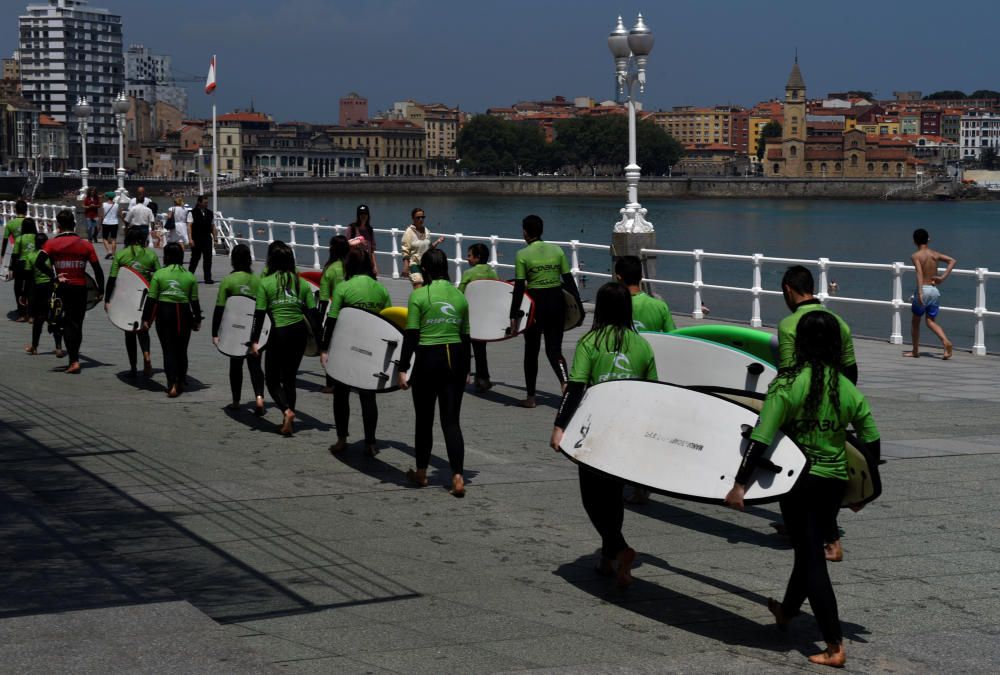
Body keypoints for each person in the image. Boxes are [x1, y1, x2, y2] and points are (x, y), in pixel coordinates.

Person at [724, 311, 880, 669]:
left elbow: (760, 441)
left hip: (798, 484)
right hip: (834, 483)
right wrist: (863, 492)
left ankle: (834, 644)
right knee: (807, 547)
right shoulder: (846, 386)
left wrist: (739, 485)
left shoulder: (787, 385)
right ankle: (786, 611)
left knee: (811, 559)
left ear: (801, 345)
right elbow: (871, 439)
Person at [549, 282, 657, 590]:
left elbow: (576, 388)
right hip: (629, 431)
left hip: (596, 431)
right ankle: (609, 558)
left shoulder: (590, 342)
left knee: (591, 499)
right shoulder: (641, 344)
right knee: (613, 497)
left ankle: (620, 549)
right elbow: (653, 392)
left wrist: (559, 427)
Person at [778, 265, 857, 561]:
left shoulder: (789, 324)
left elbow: (786, 374)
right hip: (836, 403)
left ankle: (817, 534)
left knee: (795, 468)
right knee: (828, 468)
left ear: (788, 289)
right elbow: (851, 370)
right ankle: (826, 534)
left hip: (801, 408)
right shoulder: (840, 322)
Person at [397, 248, 471, 497]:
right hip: (455, 360)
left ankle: (421, 473)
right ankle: (458, 476)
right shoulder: (459, 296)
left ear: (425, 270)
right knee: (451, 422)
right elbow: (466, 337)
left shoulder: (419, 296)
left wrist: (402, 368)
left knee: (424, 420)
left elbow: (412, 335)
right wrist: (469, 369)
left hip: (428, 361)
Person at [612, 255, 674, 505]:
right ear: (641, 277)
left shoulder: (616, 304)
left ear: (618, 277)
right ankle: (642, 485)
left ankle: (618, 477)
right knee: (645, 432)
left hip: (621, 375)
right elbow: (672, 339)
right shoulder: (658, 306)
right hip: (651, 376)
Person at [320, 247, 391, 457]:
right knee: (368, 397)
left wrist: (324, 348)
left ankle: (342, 439)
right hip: (372, 350)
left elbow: (331, 321)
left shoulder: (343, 287)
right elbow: (389, 322)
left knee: (341, 395)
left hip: (345, 348)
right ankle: (370, 442)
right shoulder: (381, 289)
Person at [508, 214, 582, 408]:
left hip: (535, 306)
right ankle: (565, 384)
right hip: (556, 302)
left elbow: (518, 288)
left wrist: (513, 314)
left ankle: (531, 398)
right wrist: (579, 308)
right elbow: (569, 281)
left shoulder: (522, 255)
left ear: (525, 232)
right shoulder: (557, 251)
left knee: (531, 352)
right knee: (554, 350)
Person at [249, 242, 320, 436]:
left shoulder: (266, 282)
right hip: (299, 333)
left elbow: (259, 315)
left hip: (279, 332)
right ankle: (289, 422)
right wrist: (322, 346)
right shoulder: (302, 283)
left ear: (271, 260)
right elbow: (313, 316)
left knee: (272, 380)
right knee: (289, 379)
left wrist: (254, 341)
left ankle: (287, 411)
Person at [34, 209, 105, 374]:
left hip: (62, 288)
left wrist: (53, 277)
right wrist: (100, 290)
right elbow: (98, 270)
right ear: (73, 224)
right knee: (77, 324)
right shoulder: (86, 245)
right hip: (80, 288)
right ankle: (75, 360)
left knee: (65, 323)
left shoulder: (51, 244)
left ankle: (73, 360)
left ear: (58, 226)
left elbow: (38, 262)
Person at [141, 243, 201, 397]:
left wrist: (146, 318)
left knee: (168, 350)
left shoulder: (159, 274)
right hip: (184, 313)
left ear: (166, 256)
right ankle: (181, 381)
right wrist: (197, 320)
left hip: (165, 313)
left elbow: (151, 299)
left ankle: (172, 384)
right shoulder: (189, 276)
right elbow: (194, 301)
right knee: (182, 350)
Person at [212, 244, 265, 415]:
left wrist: (215, 333)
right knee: (255, 365)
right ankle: (259, 398)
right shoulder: (258, 281)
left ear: (233, 260)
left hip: (234, 330)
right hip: (254, 329)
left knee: (236, 365)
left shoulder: (228, 280)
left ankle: (236, 401)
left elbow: (219, 308)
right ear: (249, 259)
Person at [105, 227, 160, 377]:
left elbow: (112, 279)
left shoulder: (121, 255)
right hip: (145, 299)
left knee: (129, 332)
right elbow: (159, 277)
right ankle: (147, 355)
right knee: (143, 330)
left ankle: (133, 367)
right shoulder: (151, 254)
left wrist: (107, 300)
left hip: (125, 299)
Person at [905, 228, 956, 360]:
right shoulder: (935, 254)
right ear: (929, 239)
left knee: (915, 321)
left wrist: (920, 292)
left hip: (924, 289)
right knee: (930, 321)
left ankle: (915, 351)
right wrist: (942, 278)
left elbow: (919, 273)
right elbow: (952, 261)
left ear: (914, 241)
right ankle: (945, 341)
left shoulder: (916, 256)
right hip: (934, 290)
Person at [459, 242, 499, 391]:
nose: (467, 258)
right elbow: (497, 290)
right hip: (484, 317)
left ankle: (465, 375)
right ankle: (483, 378)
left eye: (469, 255)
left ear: (478, 257)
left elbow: (460, 294)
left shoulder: (469, 273)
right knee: (480, 350)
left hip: (469, 316)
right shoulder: (492, 272)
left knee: (464, 347)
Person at [318, 235, 350, 394]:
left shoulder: (329, 269)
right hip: (353, 313)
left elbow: (323, 299)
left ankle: (331, 384)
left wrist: (318, 320)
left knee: (330, 349)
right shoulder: (352, 267)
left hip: (335, 314)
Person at [23, 232, 64, 356]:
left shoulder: (30, 256)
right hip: (52, 288)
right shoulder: (51, 255)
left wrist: (24, 294)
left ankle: (34, 347)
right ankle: (58, 348)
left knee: (38, 319)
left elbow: (28, 277)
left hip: (37, 289)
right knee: (55, 318)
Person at [614, 256, 675, 333]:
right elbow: (674, 336)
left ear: (618, 277)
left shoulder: (611, 306)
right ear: (641, 277)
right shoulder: (661, 306)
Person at [401, 207, 444, 289]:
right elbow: (405, 251)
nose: (421, 219)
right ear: (413, 218)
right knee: (418, 286)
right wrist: (405, 267)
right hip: (414, 264)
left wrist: (438, 241)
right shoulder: (408, 232)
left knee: (428, 288)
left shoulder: (427, 231)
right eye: (418, 217)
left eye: (422, 217)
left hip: (427, 265)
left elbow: (429, 248)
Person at [9, 217, 39, 322]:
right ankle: (32, 315)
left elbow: (15, 255)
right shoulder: (37, 238)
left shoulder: (19, 239)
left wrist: (11, 268)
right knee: (32, 290)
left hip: (21, 267)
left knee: (18, 289)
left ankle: (22, 314)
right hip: (34, 266)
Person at [3, 199, 28, 313]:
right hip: (30, 256)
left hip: (16, 257)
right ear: (26, 210)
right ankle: (29, 309)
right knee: (29, 283)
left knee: (18, 284)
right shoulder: (30, 222)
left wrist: (2, 255)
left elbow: (5, 241)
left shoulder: (10, 224)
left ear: (15, 210)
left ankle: (21, 309)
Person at [187, 195, 216, 284]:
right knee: (195, 258)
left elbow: (213, 226)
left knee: (208, 259)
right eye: (205, 203)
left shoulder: (210, 213)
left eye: (207, 202)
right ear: (199, 202)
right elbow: (189, 226)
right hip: (196, 238)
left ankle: (208, 278)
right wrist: (190, 239)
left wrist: (215, 238)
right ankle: (189, 277)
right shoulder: (192, 212)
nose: (206, 204)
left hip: (207, 238)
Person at [346, 204, 377, 276]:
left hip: (367, 264)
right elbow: (346, 245)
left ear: (368, 215)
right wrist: (357, 242)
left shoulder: (370, 229)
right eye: (361, 214)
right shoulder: (352, 228)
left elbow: (372, 250)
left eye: (365, 214)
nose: (363, 216)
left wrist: (375, 266)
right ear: (358, 215)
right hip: (354, 264)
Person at [100, 192, 120, 260]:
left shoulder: (104, 204)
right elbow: (118, 214)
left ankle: (109, 251)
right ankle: (113, 254)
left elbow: (102, 215)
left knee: (105, 238)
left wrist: (100, 223)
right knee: (113, 239)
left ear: (107, 197)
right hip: (114, 222)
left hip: (106, 222)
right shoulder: (116, 205)